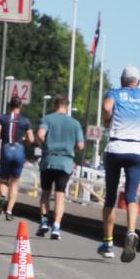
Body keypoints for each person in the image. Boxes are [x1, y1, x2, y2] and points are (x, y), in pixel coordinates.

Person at [98, 65, 140, 262]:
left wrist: (107, 120)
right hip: (137, 150)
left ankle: (108, 243)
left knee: (110, 196)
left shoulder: (115, 93)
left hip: (116, 148)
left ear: (122, 80)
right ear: (139, 82)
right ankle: (130, 231)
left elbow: (106, 107)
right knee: (131, 195)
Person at [35, 95, 84, 239]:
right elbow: (81, 145)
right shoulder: (75, 123)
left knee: (45, 193)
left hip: (48, 160)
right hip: (65, 162)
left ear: (54, 105)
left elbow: (40, 134)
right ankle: (56, 226)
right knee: (60, 195)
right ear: (67, 106)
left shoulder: (47, 119)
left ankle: (44, 221)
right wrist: (70, 146)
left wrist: (42, 144)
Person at [0, 96, 34, 220]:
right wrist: (23, 141)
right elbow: (31, 139)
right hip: (19, 151)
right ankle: (9, 211)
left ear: (10, 106)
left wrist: (1, 137)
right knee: (15, 182)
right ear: (21, 106)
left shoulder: (2, 118)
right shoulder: (25, 121)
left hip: (6, 149)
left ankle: (3, 197)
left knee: (3, 181)